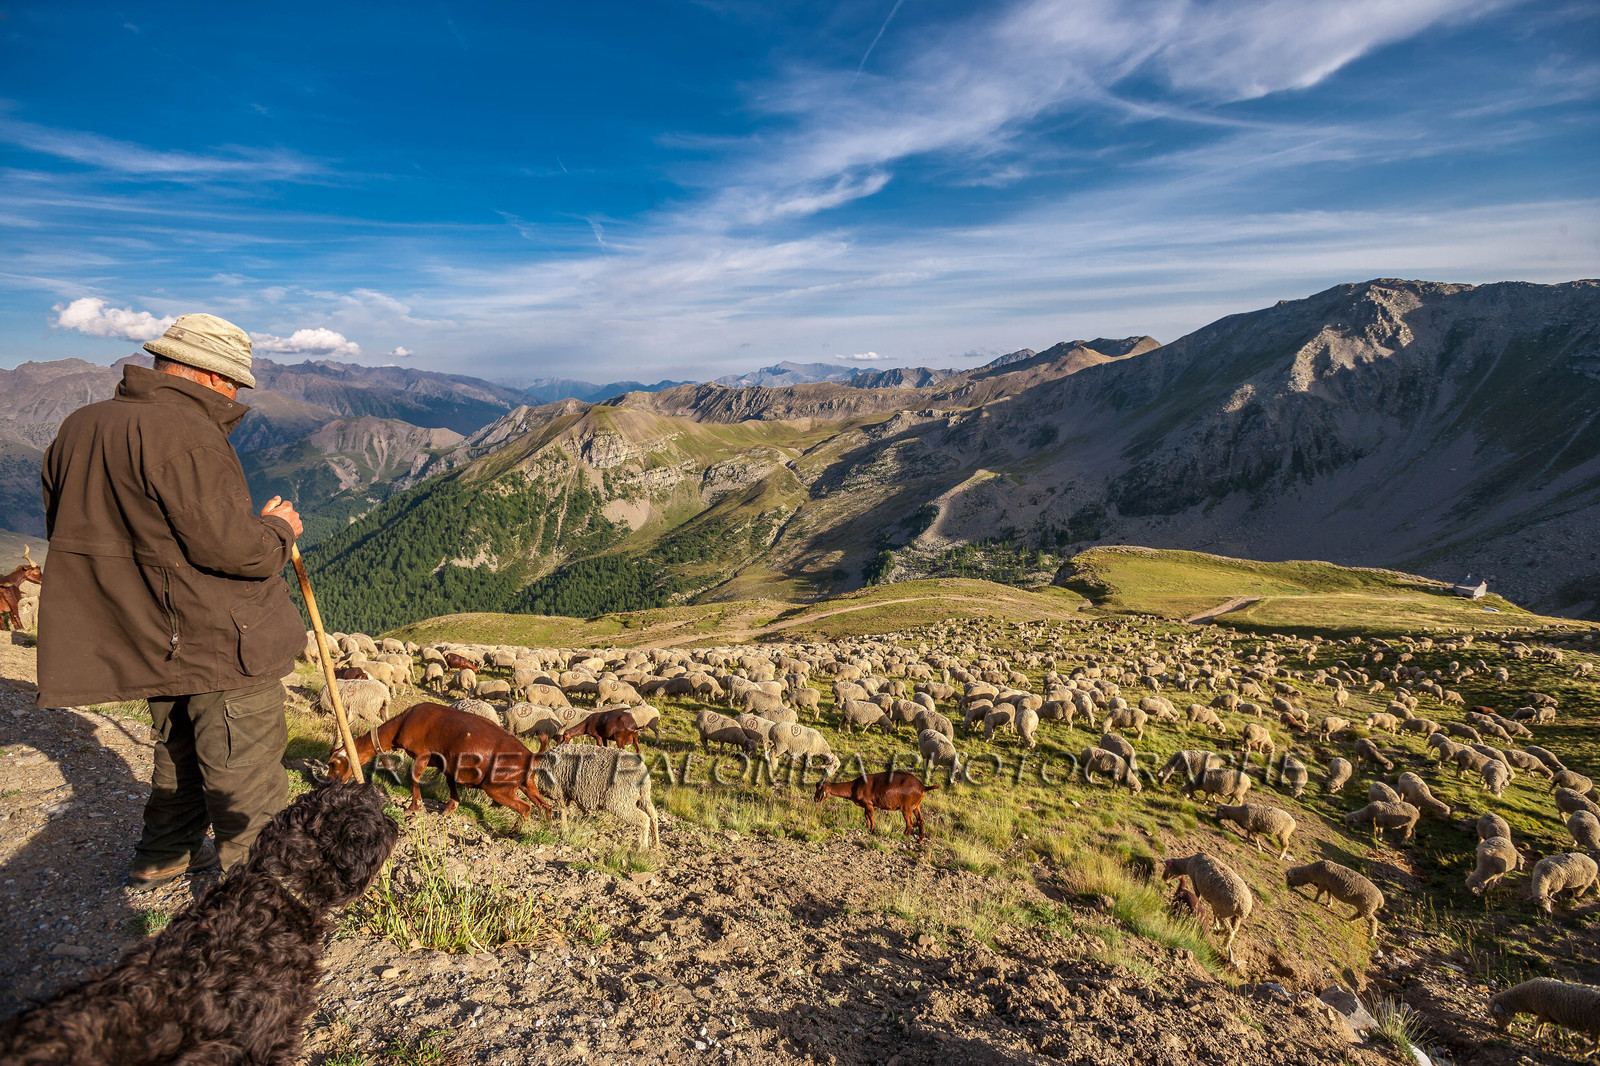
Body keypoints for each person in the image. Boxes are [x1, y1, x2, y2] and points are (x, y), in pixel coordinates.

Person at [37, 313, 308, 885]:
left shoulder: (80, 425)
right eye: (234, 382)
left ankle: (164, 855)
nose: (236, 395)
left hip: (146, 635)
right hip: (216, 638)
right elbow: (238, 552)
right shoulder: (186, 434)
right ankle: (265, 896)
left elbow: (79, 526)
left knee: (177, 754)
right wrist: (279, 529)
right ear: (208, 376)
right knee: (245, 768)